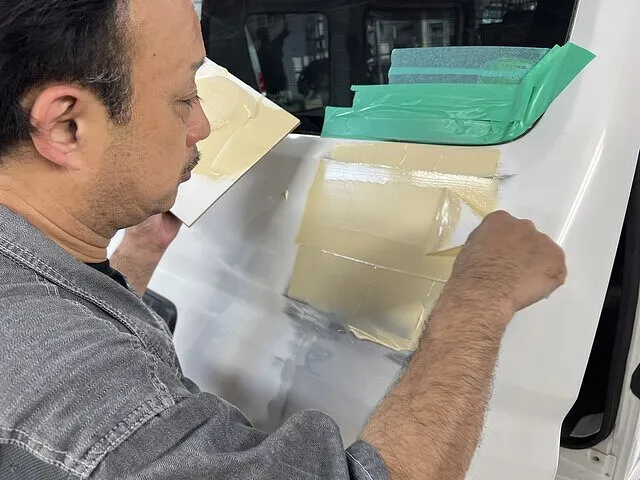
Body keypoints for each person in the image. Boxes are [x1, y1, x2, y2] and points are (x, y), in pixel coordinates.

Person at [0, 1, 567, 479]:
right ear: (66, 126)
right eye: (183, 98)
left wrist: (140, 254)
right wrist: (480, 296)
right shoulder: (72, 389)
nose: (202, 126)